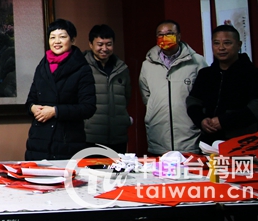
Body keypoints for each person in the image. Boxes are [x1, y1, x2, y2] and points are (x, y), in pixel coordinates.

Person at [25, 18, 96, 160]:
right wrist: (32, 107)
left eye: (62, 37)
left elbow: (88, 107)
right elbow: (30, 100)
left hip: (67, 140)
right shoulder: (42, 66)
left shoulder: (82, 69)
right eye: (52, 37)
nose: (56, 41)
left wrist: (55, 111)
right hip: (39, 140)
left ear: (73, 40)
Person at [139, 19, 206, 154]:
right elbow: (146, 96)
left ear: (179, 36)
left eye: (169, 34)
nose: (164, 38)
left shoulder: (197, 62)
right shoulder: (147, 65)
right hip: (159, 138)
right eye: (160, 35)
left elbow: (205, 95)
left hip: (190, 137)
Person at [186, 25, 258, 146]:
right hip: (208, 142)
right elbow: (193, 101)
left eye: (227, 43)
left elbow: (255, 107)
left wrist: (224, 121)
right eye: (216, 43)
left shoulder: (252, 73)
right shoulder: (205, 74)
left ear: (239, 45)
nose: (221, 48)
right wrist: (201, 120)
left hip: (242, 143)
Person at [83, 24, 131, 154]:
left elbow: (126, 97)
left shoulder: (122, 69)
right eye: (100, 44)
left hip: (118, 137)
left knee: (118, 168)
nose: (104, 49)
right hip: (90, 137)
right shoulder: (82, 67)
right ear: (91, 44)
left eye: (109, 44)